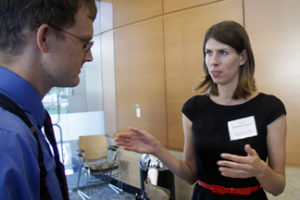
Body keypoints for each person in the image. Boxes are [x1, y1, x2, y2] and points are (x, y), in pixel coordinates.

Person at [115, 21, 287, 200]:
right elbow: (190, 175)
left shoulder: (270, 108)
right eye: (208, 53)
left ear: (242, 57)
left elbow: (278, 187)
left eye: (223, 53)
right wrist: (157, 149)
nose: (213, 61)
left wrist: (261, 170)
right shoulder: (193, 109)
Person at [0, 0, 97, 199]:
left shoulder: (23, 121)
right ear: (45, 38)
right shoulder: (9, 138)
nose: (89, 57)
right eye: (84, 43)